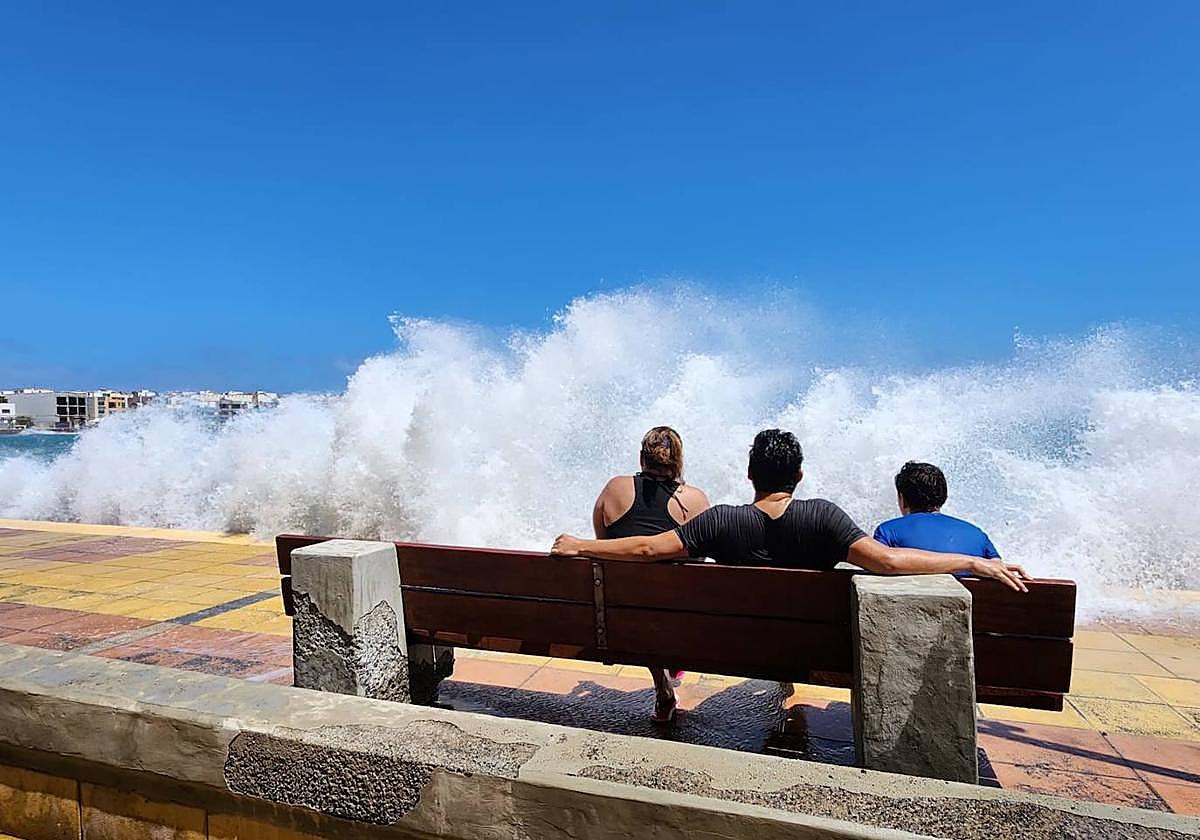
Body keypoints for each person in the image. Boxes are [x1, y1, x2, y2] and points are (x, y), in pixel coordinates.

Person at [552, 429, 1028, 593]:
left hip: (731, 647)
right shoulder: (823, 516)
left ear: (749, 474)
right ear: (798, 476)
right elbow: (888, 563)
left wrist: (579, 545)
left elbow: (646, 548)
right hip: (814, 650)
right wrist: (971, 562)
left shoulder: (719, 520)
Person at [592, 426, 710, 723]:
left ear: (641, 458)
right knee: (669, 600)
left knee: (638, 604)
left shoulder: (614, 489)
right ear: (678, 461)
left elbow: (605, 546)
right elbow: (701, 560)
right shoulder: (695, 500)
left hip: (624, 615)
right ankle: (672, 659)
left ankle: (662, 690)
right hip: (676, 615)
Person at [873, 462, 1001, 573]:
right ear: (944, 497)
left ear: (903, 499)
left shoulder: (887, 531)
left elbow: (877, 568)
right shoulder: (977, 534)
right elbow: (998, 569)